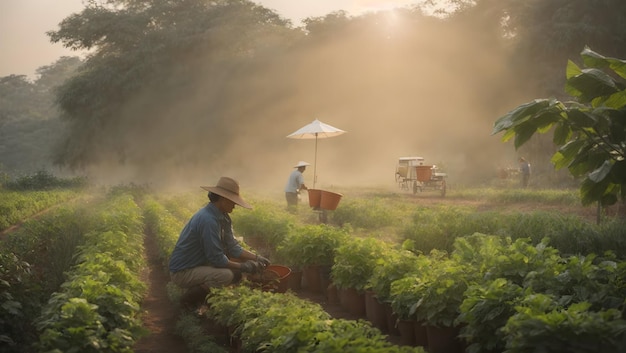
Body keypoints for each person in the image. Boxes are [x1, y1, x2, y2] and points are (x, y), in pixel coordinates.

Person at [169, 176, 271, 311]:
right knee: (226, 275)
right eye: (233, 202)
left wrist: (256, 258)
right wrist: (243, 266)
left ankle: (206, 299)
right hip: (183, 271)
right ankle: (188, 301)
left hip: (198, 264)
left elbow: (233, 247)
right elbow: (217, 258)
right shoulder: (208, 220)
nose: (235, 205)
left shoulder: (223, 217)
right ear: (223, 199)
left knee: (234, 268)